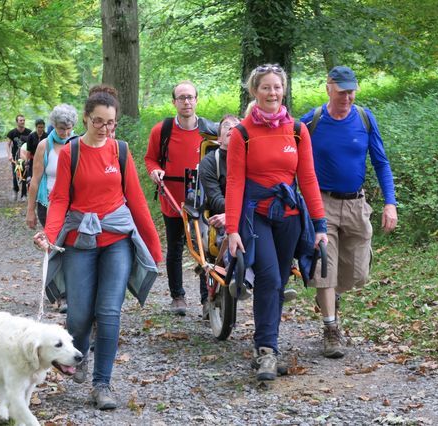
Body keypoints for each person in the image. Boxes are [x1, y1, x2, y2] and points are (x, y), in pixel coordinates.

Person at [36, 88, 162, 410]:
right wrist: (50, 236)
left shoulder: (120, 151)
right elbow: (60, 198)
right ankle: (80, 354)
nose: (105, 129)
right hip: (80, 239)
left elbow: (135, 198)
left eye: (111, 123)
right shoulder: (70, 152)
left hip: (117, 239)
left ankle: (102, 384)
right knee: (78, 316)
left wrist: (152, 244)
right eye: (99, 122)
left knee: (108, 312)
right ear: (85, 118)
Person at [225, 64, 328, 381]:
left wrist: (320, 226)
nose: (272, 92)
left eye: (277, 87)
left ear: (284, 90)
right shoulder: (242, 133)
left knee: (279, 282)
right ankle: (266, 350)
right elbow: (234, 183)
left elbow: (308, 179)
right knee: (268, 277)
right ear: (254, 91)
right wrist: (231, 230)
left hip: (290, 216)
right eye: (265, 87)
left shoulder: (297, 130)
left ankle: (267, 345)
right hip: (255, 216)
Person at [300, 65, 398, 359]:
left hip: (357, 204)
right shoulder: (311, 122)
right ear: (328, 86)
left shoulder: (365, 120)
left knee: (358, 273)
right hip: (321, 203)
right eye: (342, 90)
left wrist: (390, 203)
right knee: (324, 270)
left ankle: (332, 295)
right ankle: (331, 329)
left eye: (352, 90)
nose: (347, 96)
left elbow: (381, 162)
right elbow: (288, 155)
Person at [144, 80, 212, 316]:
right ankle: (178, 296)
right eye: (181, 97)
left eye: (190, 97)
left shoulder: (208, 130)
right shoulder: (161, 130)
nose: (186, 101)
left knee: (205, 246)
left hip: (202, 199)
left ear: (197, 100)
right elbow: (150, 159)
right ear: (174, 102)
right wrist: (155, 172)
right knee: (175, 246)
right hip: (172, 198)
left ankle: (208, 298)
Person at [25, 106, 77, 230]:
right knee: (53, 245)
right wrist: (30, 210)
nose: (65, 133)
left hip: (74, 205)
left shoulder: (78, 144)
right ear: (54, 125)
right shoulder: (44, 146)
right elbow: (35, 180)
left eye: (68, 128)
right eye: (61, 129)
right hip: (48, 204)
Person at [6, 114, 31, 201]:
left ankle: (23, 195)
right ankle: (15, 191)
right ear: (17, 122)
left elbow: (32, 145)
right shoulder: (12, 133)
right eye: (20, 120)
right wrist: (9, 155)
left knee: (24, 175)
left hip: (25, 157)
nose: (22, 122)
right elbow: (8, 144)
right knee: (15, 175)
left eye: (23, 120)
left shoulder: (29, 132)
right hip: (15, 158)